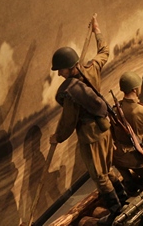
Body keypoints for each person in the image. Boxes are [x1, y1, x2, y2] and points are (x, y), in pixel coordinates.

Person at [49, 15, 122, 225]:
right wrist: (97, 30)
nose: (59, 74)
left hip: (91, 136)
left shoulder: (71, 92)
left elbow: (68, 122)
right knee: (108, 170)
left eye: (61, 70)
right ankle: (124, 199)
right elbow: (104, 51)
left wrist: (57, 137)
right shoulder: (92, 68)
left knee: (99, 176)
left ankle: (117, 212)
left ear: (69, 67)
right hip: (105, 127)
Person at [112, 71, 143, 193]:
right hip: (140, 159)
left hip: (120, 158)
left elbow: (113, 134)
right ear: (134, 89)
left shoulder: (115, 110)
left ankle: (129, 182)